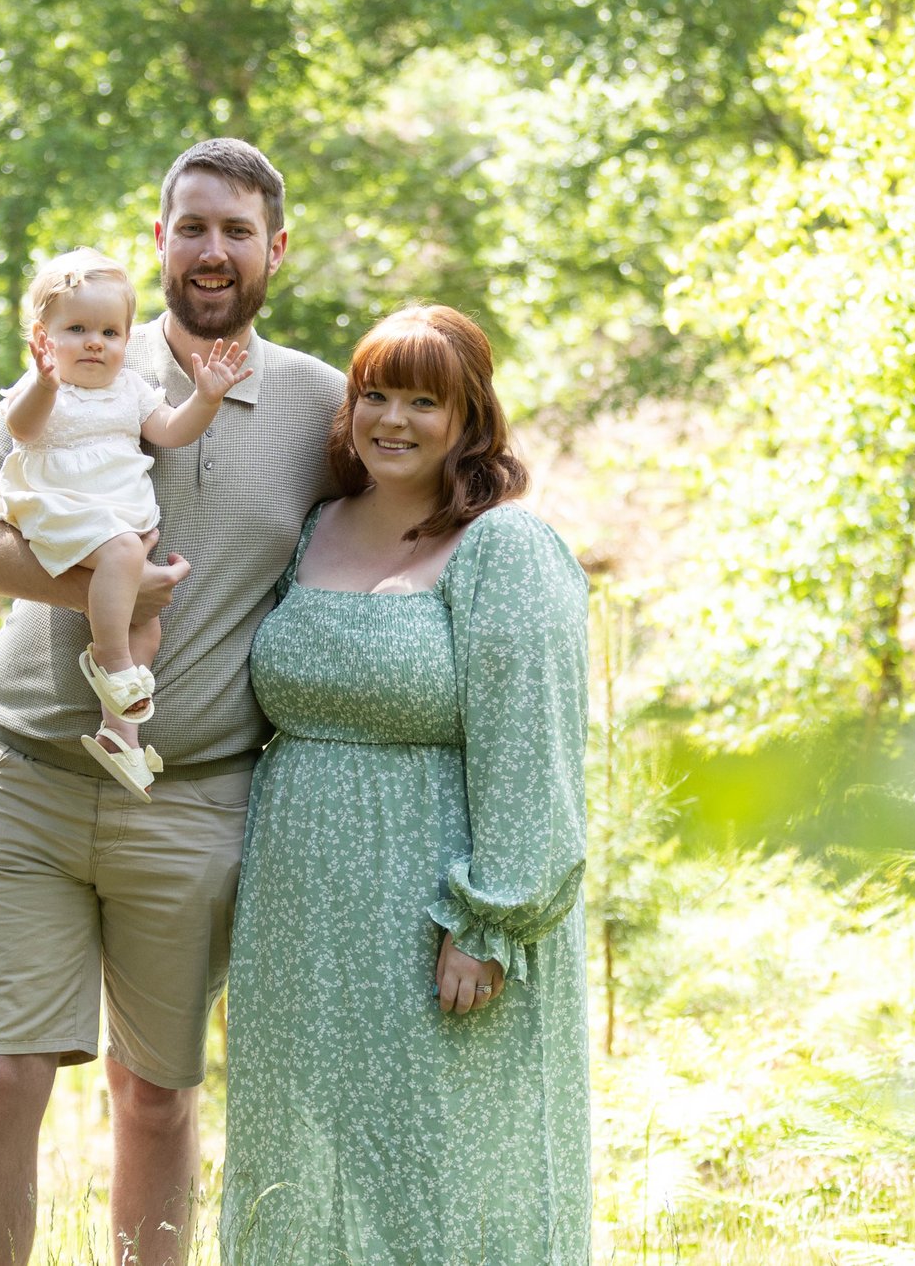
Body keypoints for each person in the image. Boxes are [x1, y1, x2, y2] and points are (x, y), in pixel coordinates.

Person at [0, 139, 345, 1266]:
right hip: (27, 782)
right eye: (192, 226)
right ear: (159, 238)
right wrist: (100, 583)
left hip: (194, 800)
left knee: (153, 1097)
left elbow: (418, 511)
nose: (213, 250)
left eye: (237, 230)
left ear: (276, 249)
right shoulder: (81, 358)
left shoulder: (322, 405)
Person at [220, 305, 592, 1266]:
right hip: (302, 924)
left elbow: (533, 753)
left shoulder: (504, 548)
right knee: (305, 1159)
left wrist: (488, 921)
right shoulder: (313, 529)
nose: (393, 418)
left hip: (436, 919)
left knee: (446, 1166)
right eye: (375, 394)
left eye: (424, 399)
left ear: (469, 415)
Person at [0, 246, 253, 794]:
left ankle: (119, 734)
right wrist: (43, 382)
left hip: (112, 524)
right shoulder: (46, 389)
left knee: (146, 628)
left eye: (109, 333)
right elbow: (24, 430)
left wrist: (206, 398)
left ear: (126, 342)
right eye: (77, 328)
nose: (93, 342)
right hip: (58, 510)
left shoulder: (130, 390)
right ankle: (108, 661)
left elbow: (173, 430)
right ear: (43, 338)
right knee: (127, 553)